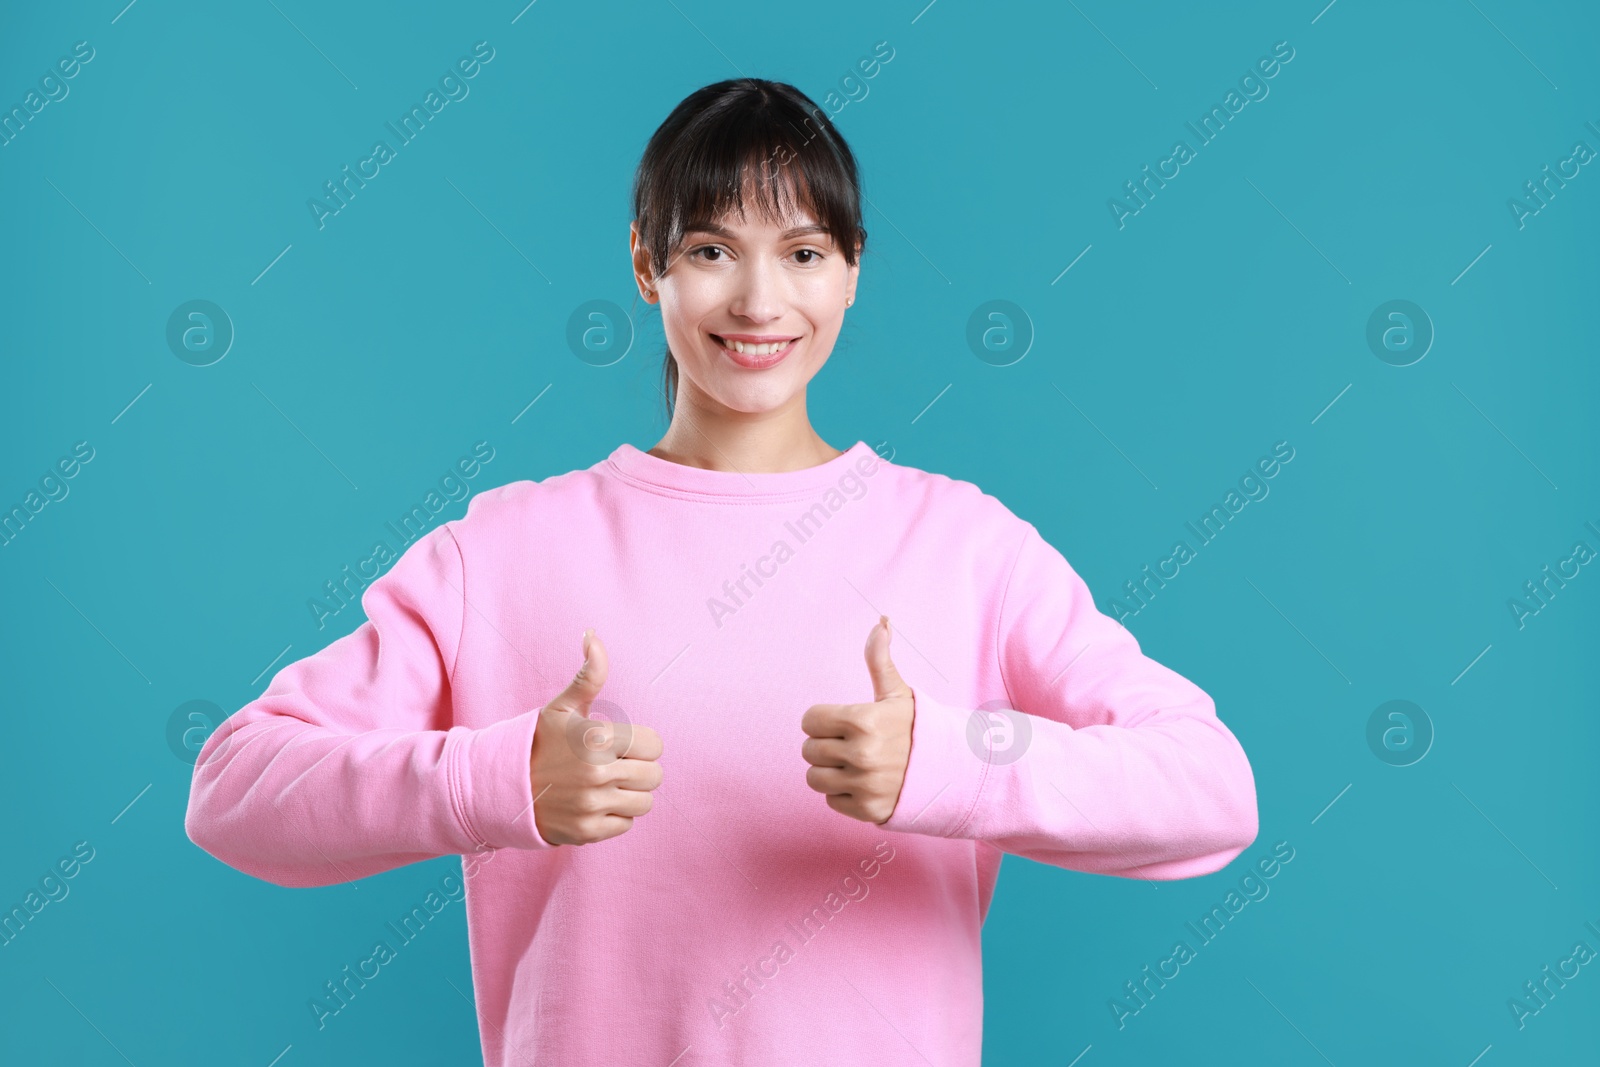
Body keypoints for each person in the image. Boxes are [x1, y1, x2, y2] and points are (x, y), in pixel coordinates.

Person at [185, 77, 1258, 1066]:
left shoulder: (965, 545)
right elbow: (234, 786)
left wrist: (958, 756)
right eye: (709, 249)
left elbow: (1209, 787)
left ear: (852, 273)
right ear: (646, 264)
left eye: (801, 252)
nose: (757, 300)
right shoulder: (500, 550)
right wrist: (492, 779)